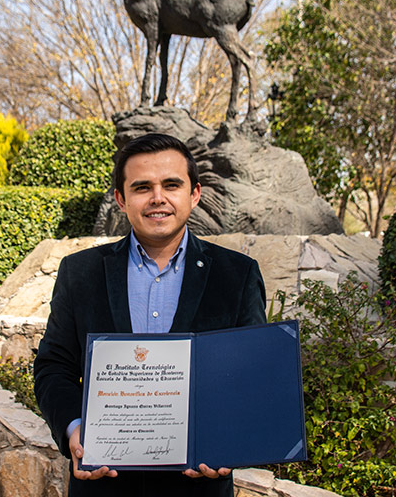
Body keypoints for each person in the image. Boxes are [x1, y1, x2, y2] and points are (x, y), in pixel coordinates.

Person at [33, 132, 267, 497]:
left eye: (171, 184)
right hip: (103, 486)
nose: (158, 198)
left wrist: (228, 438)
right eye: (142, 187)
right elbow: (54, 366)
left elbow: (250, 376)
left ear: (194, 194)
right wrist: (75, 429)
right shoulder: (80, 273)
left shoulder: (236, 275)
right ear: (121, 200)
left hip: (199, 486)